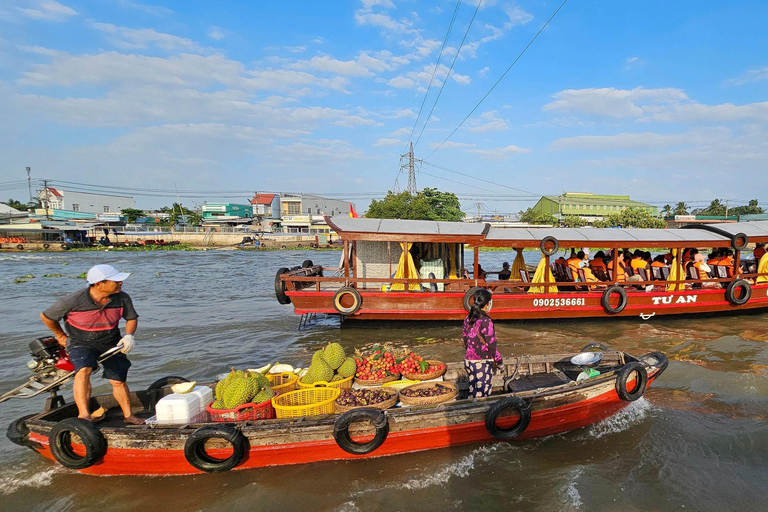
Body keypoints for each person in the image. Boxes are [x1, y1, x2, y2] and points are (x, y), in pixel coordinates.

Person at [40, 264, 143, 424]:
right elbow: (47, 317)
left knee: (118, 380)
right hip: (81, 342)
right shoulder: (73, 300)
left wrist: (129, 336)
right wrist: (60, 335)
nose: (121, 283)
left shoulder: (122, 298)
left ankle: (128, 416)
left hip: (111, 341)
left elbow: (131, 318)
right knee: (84, 370)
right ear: (99, 284)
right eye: (115, 281)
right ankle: (84, 415)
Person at [462, 289, 502, 398]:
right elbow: (491, 344)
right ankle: (479, 413)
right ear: (487, 304)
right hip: (481, 361)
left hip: (469, 360)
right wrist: (499, 360)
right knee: (482, 393)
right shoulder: (486, 321)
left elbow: (465, 338)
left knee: (472, 388)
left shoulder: (468, 318)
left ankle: (470, 408)